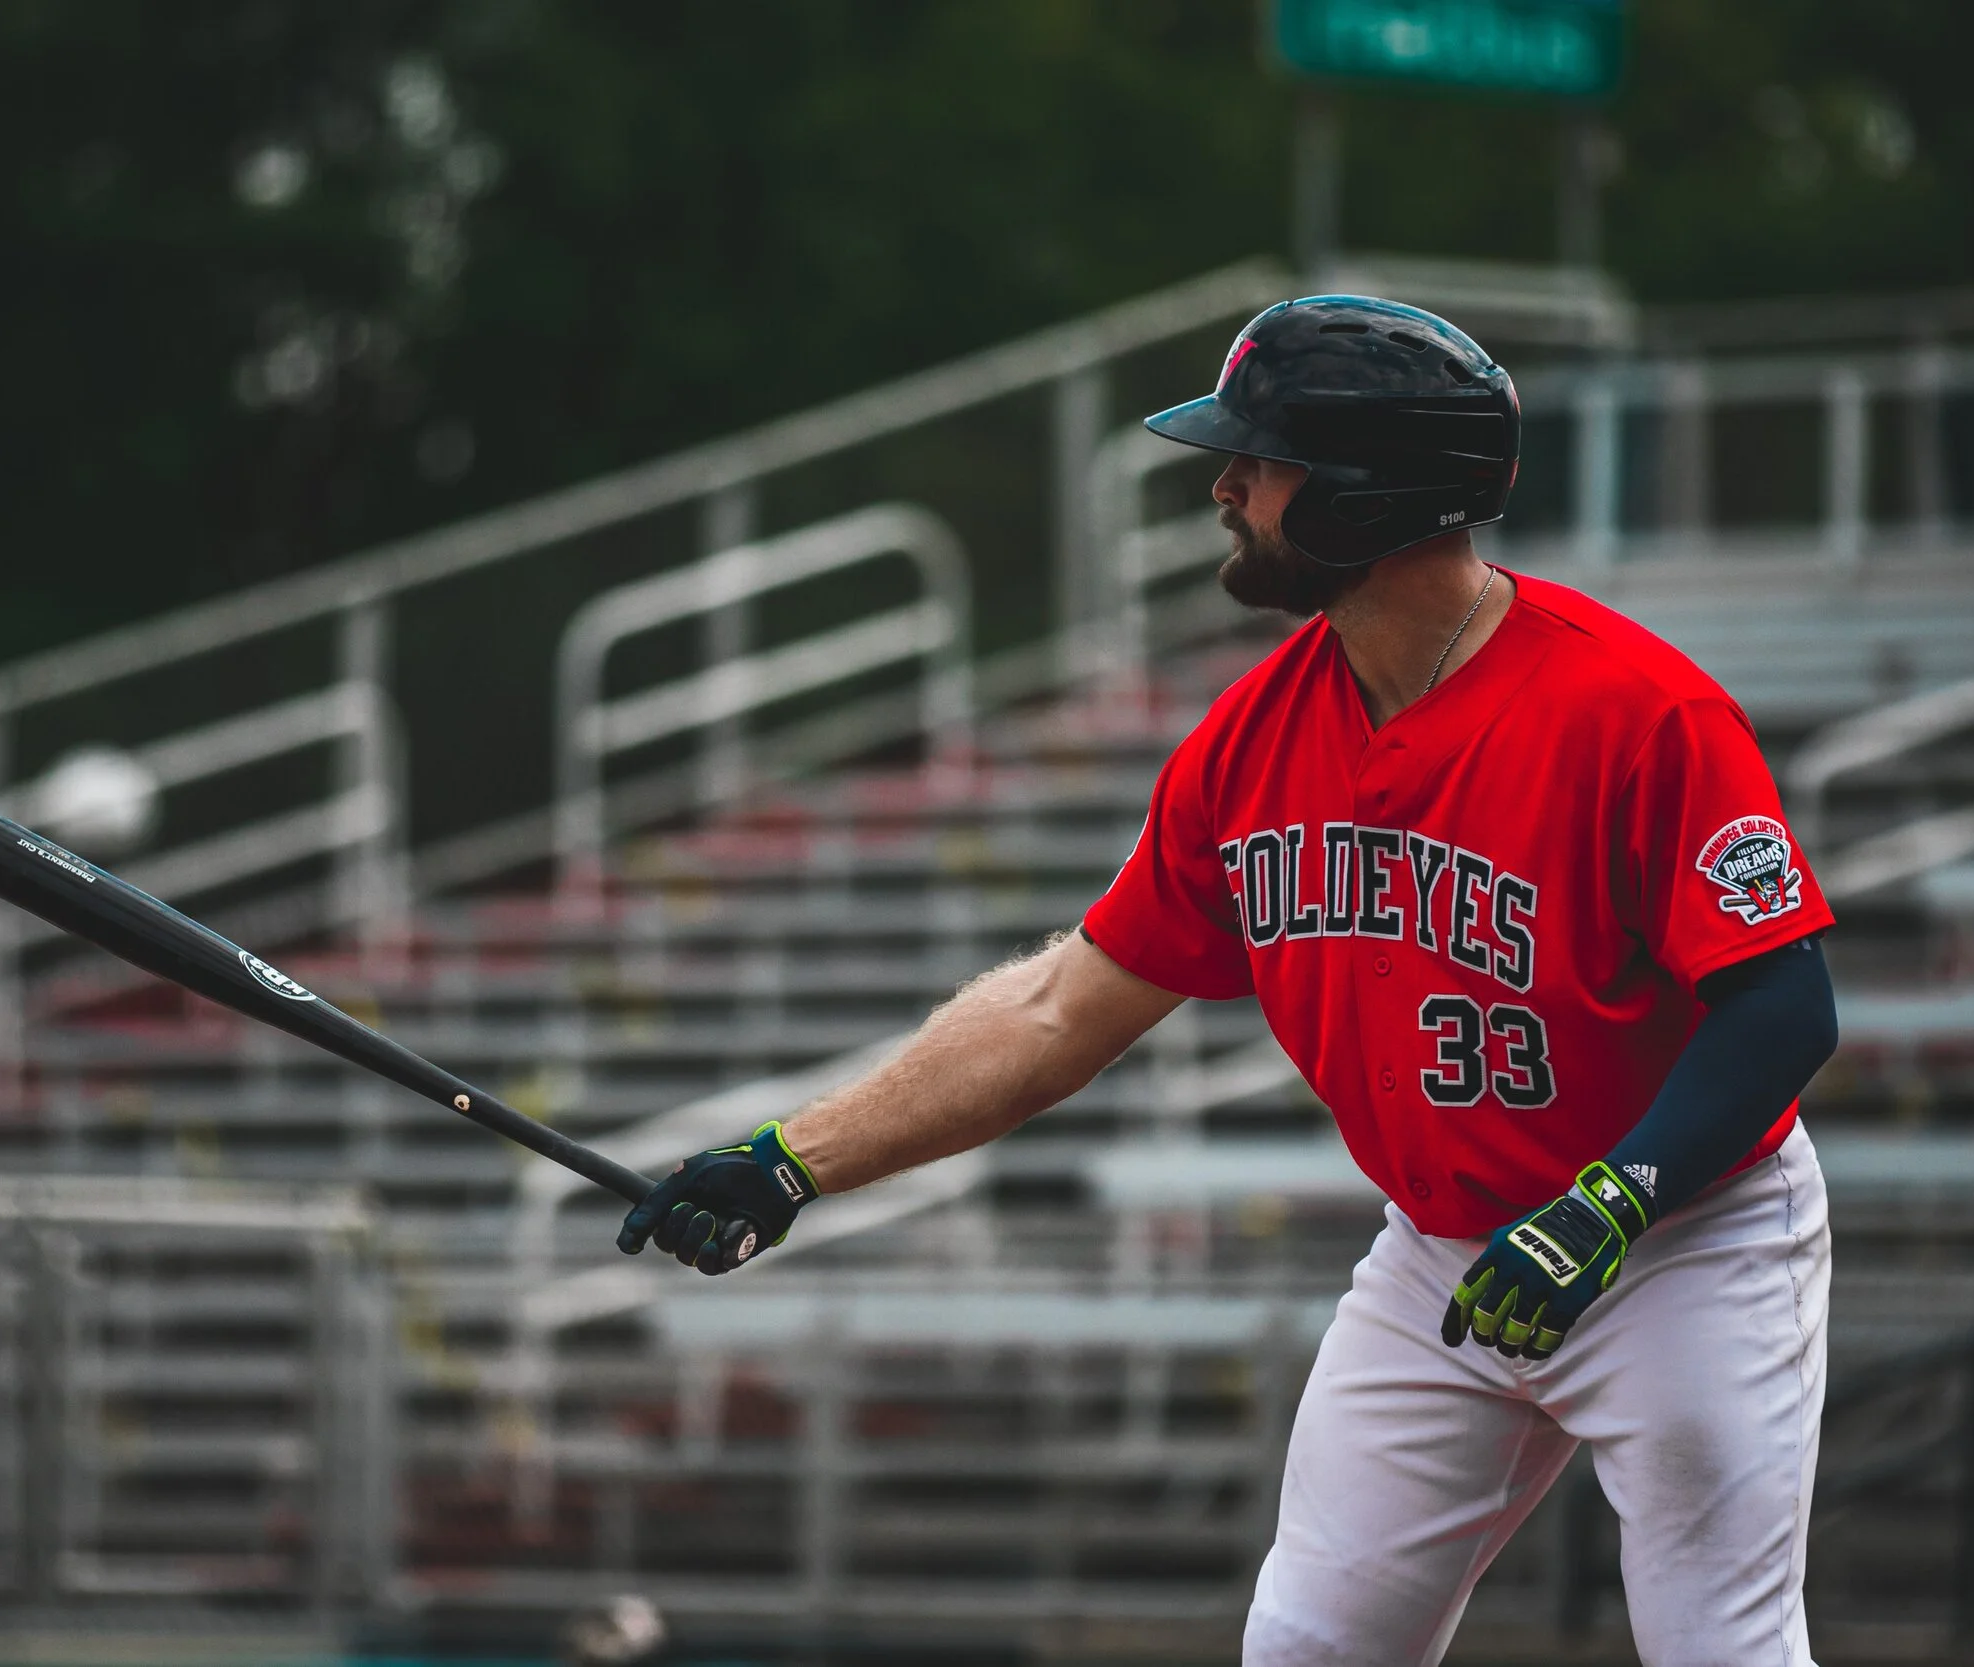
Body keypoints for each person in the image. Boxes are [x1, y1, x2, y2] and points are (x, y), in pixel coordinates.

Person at [616, 296, 1840, 1666]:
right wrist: (793, 1161)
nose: (1224, 485)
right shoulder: (1250, 743)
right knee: (1307, 1647)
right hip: (1445, 1248)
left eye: (1259, 458)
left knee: (1722, 1651)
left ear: (1368, 493)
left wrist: (1610, 1207)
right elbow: (1056, 1010)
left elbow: (1785, 1006)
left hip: (1681, 1239)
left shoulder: (1638, 712)